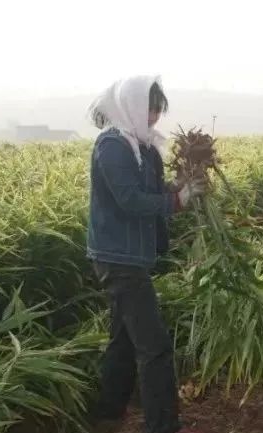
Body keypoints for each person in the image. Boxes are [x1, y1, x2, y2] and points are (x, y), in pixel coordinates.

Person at [86, 75, 205, 433]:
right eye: (150, 109)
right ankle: (163, 425)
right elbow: (130, 200)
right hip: (116, 258)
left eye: (158, 110)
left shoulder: (146, 148)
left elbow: (154, 190)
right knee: (154, 348)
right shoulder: (112, 147)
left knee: (123, 340)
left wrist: (181, 186)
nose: (154, 117)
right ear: (131, 106)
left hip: (134, 257)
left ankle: (108, 413)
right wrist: (176, 201)